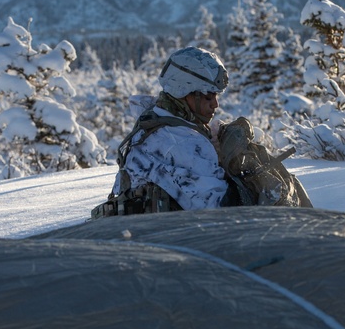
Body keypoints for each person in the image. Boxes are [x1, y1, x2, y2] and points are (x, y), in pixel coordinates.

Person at [91, 46, 312, 218]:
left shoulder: (154, 122)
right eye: (208, 96)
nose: (215, 105)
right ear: (184, 92)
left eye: (216, 96)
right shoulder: (179, 142)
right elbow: (223, 213)